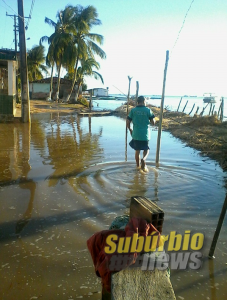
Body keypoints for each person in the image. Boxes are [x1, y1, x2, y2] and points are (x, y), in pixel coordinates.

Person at [126, 96, 156, 171]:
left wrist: (130, 129)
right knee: (146, 149)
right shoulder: (148, 110)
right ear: (143, 101)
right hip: (145, 134)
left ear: (137, 102)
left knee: (137, 150)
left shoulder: (133, 110)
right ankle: (144, 159)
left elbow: (128, 121)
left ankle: (138, 166)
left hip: (136, 134)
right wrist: (154, 120)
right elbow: (153, 123)